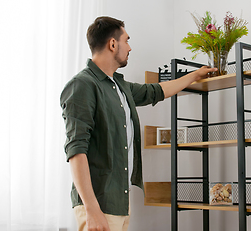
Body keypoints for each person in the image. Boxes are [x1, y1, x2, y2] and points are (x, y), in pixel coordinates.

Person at [60, 16, 216, 231]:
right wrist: (91, 208)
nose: (130, 47)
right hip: (98, 206)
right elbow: (76, 150)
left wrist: (195, 75)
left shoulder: (119, 87)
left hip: (120, 202)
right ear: (113, 44)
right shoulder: (83, 85)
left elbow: (157, 91)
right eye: (127, 40)